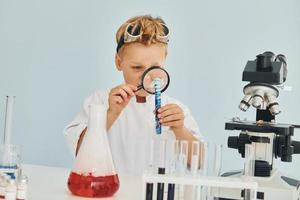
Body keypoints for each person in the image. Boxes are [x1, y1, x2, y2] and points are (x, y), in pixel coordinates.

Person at [64, 15, 201, 175]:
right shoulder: (99, 101)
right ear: (118, 62)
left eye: (155, 67)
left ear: (165, 61)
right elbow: (80, 152)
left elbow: (199, 163)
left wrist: (179, 129)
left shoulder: (176, 110)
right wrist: (110, 114)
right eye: (137, 67)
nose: (147, 76)